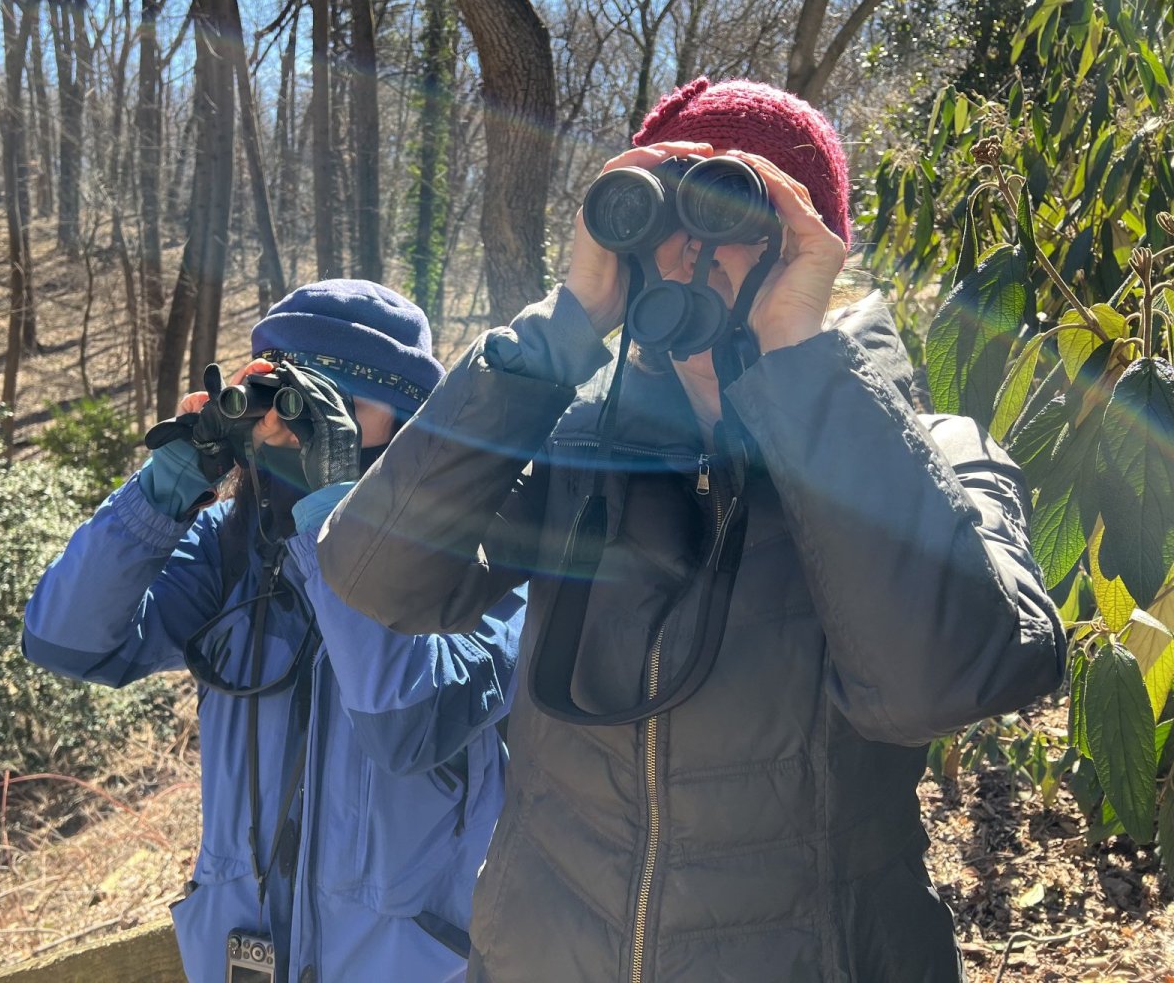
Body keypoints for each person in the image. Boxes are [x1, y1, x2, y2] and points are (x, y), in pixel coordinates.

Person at [317, 79, 1065, 982]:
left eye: (734, 210)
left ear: (809, 247)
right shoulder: (574, 447)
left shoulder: (934, 458)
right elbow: (378, 577)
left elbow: (934, 689)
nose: (689, 250)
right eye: (660, 213)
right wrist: (562, 330)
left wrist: (799, 363)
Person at [23, 280, 522, 983]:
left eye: (338, 405)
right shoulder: (233, 549)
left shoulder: (484, 559)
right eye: (287, 400)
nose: (299, 429)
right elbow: (65, 640)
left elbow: (407, 723)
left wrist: (336, 518)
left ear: (407, 424)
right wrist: (164, 489)